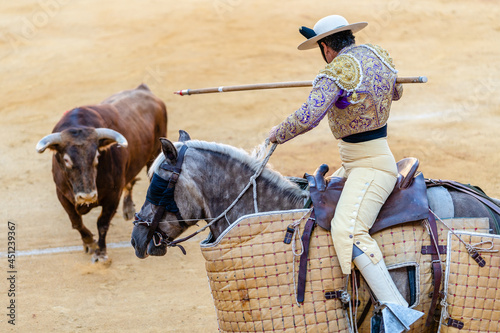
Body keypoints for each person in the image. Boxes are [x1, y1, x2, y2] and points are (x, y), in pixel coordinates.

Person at [268, 15, 423, 332]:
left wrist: (276, 134)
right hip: (361, 160)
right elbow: (396, 93)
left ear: (325, 46)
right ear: (349, 37)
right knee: (318, 210)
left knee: (346, 230)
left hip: (370, 167)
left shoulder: (334, 71)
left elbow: (309, 117)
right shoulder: (379, 55)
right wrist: (358, 91)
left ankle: (396, 312)